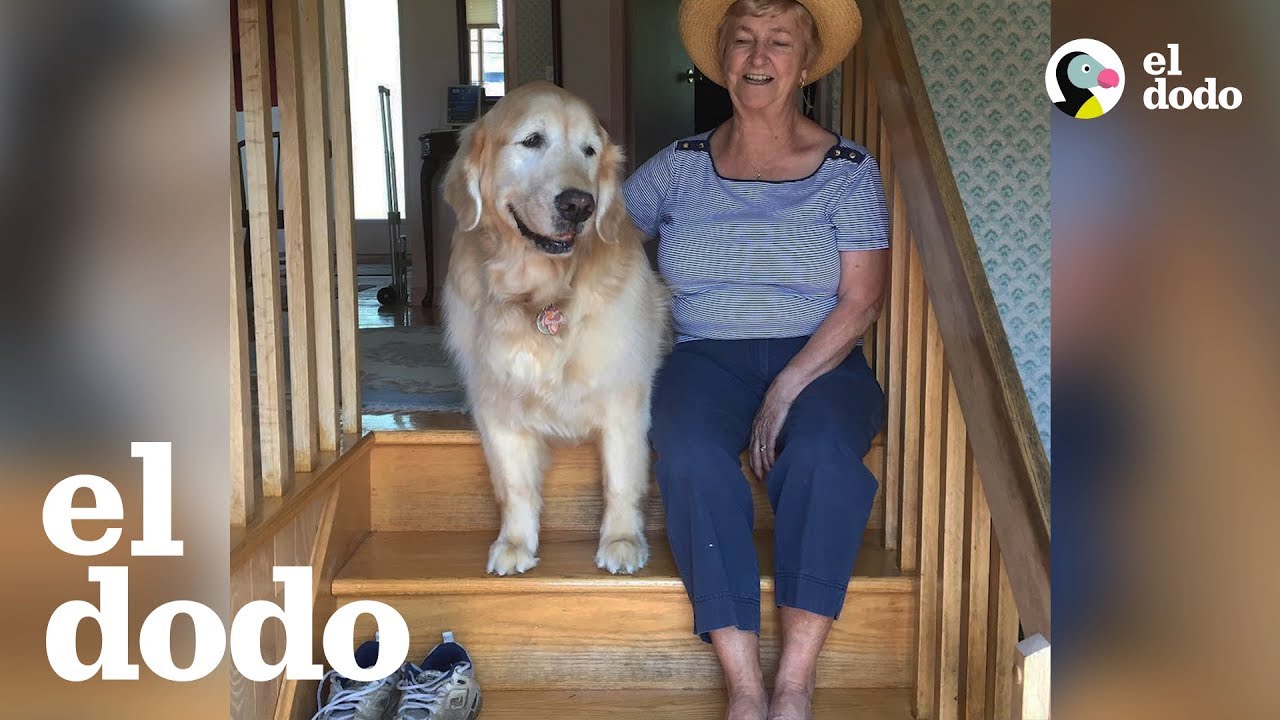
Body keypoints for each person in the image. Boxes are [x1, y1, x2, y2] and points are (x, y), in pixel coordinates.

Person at [622, 1, 887, 718]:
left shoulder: (847, 169)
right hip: (707, 356)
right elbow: (605, 234)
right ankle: (743, 687)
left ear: (805, 64)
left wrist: (786, 389)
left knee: (826, 455)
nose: (758, 57)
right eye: (743, 42)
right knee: (686, 454)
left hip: (822, 359)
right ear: (723, 60)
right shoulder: (677, 166)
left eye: (777, 42)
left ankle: (794, 683)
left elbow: (862, 300)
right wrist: (554, 293)